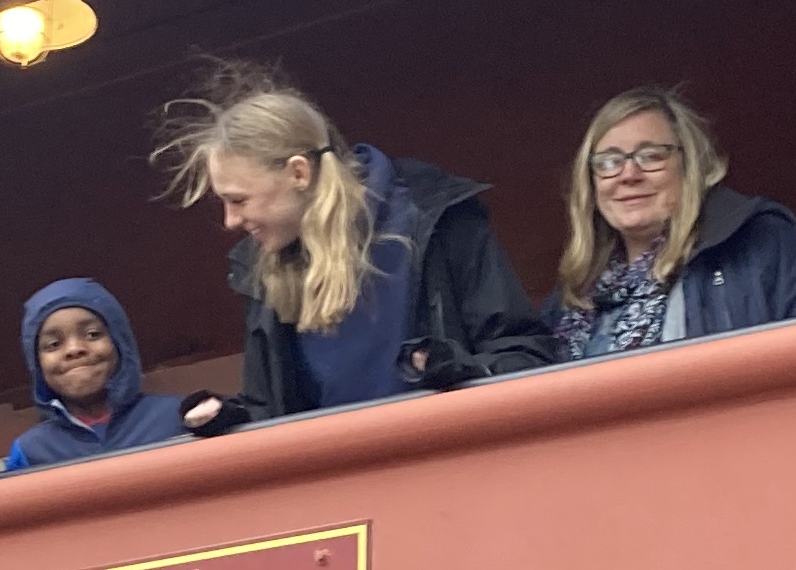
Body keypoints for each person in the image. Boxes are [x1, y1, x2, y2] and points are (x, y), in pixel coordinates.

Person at [152, 64, 559, 432]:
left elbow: (524, 354)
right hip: (343, 484)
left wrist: (457, 370)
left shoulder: (437, 218)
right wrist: (229, 418)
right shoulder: (260, 269)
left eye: (239, 200)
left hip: (456, 464)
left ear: (298, 173)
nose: (230, 221)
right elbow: (271, 410)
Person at [547, 86, 796, 358]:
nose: (629, 175)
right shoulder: (568, 301)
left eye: (651, 156)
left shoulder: (763, 244)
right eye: (609, 162)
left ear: (690, 166)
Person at [2, 278, 188, 470]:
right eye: (53, 344)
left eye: (92, 334)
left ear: (120, 342)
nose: (74, 349)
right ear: (37, 363)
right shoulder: (29, 452)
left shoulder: (178, 415)